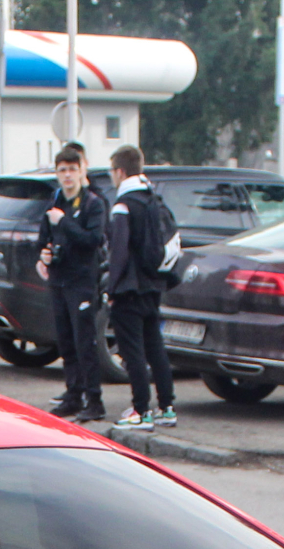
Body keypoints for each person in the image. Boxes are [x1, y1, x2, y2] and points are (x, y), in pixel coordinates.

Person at [35, 142, 109, 421]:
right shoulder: (55, 201)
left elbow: (92, 240)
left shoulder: (93, 203)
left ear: (81, 171)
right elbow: (43, 238)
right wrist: (42, 255)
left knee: (84, 342)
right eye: (62, 170)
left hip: (82, 282)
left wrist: (64, 222)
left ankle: (95, 400)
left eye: (72, 169)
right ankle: (73, 395)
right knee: (65, 341)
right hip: (59, 281)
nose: (67, 175)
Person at [105, 145, 177, 430]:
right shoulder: (153, 200)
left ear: (120, 171)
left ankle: (140, 411)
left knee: (132, 351)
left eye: (112, 171)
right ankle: (167, 407)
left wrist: (110, 288)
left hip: (129, 289)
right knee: (155, 347)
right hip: (153, 284)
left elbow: (119, 252)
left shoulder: (123, 204)